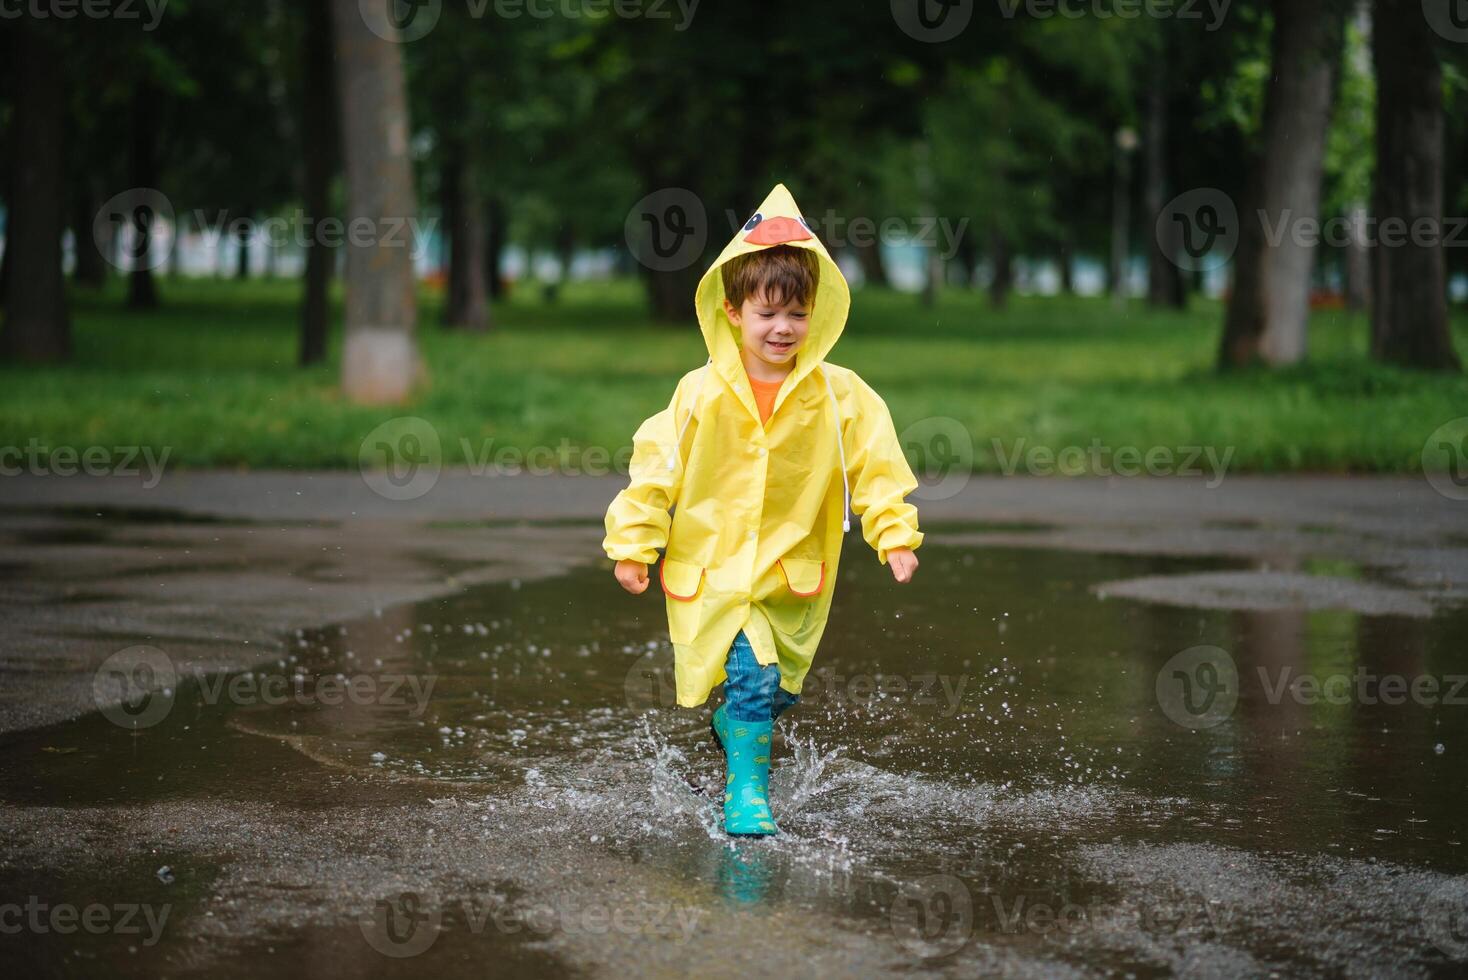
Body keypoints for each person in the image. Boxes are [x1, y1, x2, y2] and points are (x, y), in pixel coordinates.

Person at [604, 184, 923, 837]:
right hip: (717, 566)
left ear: (819, 315)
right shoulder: (700, 394)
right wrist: (634, 543)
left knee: (778, 689)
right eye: (768, 313)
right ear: (732, 311)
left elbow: (876, 465)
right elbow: (656, 467)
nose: (783, 329)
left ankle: (735, 725)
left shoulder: (840, 396)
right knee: (752, 678)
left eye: (799, 314)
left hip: (788, 572)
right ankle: (747, 795)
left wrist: (893, 533)